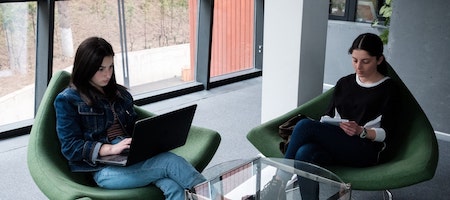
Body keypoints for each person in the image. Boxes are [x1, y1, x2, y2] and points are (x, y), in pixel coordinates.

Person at [54, 37, 205, 200]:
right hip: (103, 170)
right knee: (170, 162)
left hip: (131, 158)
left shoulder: (119, 94)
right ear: (85, 67)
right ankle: (216, 196)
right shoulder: (68, 100)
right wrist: (109, 149)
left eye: (110, 67)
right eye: (100, 69)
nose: (107, 74)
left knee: (173, 187)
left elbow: (135, 127)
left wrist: (154, 139)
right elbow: (70, 147)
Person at [258, 33, 400, 200]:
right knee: (305, 152)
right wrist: (331, 125)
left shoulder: (389, 89)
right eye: (354, 60)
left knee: (304, 125)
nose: (358, 67)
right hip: (339, 144)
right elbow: (329, 115)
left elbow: (389, 133)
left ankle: (278, 183)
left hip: (365, 149)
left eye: (365, 61)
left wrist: (361, 131)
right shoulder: (344, 83)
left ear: (379, 60)